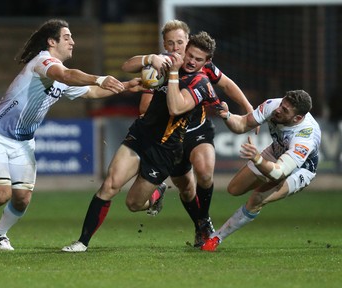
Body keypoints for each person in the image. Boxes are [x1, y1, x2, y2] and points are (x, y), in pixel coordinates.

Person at [0, 18, 140, 251]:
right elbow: (66, 75)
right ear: (51, 42)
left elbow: (91, 92)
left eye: (72, 37)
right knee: (0, 195)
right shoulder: (43, 61)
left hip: (24, 142)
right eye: (66, 37)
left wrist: (129, 85)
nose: (72, 41)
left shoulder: (63, 76)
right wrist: (99, 77)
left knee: (22, 198)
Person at [61, 31, 223, 252]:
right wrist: (150, 59)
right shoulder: (168, 63)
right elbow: (127, 66)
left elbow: (176, 107)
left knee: (133, 204)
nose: (192, 61)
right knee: (110, 184)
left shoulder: (201, 83)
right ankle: (82, 242)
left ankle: (157, 194)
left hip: (165, 148)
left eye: (199, 59)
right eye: (190, 55)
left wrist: (173, 74)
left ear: (207, 62)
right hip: (141, 135)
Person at [122, 19, 255, 247]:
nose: (176, 48)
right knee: (186, 187)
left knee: (204, 172)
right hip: (173, 136)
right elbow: (144, 105)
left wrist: (248, 107)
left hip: (197, 130)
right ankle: (199, 225)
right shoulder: (162, 66)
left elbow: (227, 84)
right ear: (165, 44)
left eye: (180, 43)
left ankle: (204, 221)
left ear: (187, 42)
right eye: (171, 43)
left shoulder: (201, 64)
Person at [201, 90, 321, 251]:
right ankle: (264, 179)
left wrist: (257, 159)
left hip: (300, 169)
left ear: (297, 118)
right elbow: (243, 124)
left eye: (285, 110)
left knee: (257, 197)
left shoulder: (305, 137)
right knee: (234, 189)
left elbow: (279, 172)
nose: (278, 110)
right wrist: (227, 116)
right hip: (276, 151)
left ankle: (215, 238)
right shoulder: (273, 105)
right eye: (282, 104)